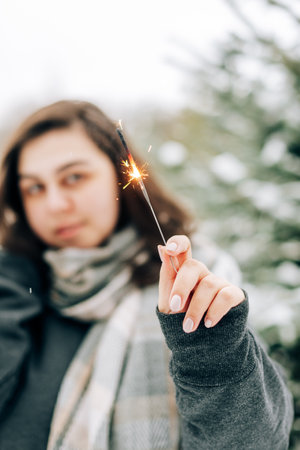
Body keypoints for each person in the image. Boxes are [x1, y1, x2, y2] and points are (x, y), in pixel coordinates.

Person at [0, 100, 293, 450]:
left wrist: (212, 355)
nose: (55, 205)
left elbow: (255, 442)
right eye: (34, 187)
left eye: (74, 177)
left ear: (119, 172)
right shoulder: (15, 294)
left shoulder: (197, 284)